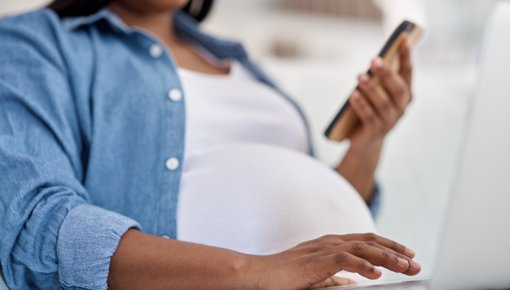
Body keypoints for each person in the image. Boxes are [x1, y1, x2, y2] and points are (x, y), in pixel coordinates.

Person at [0, 0, 421, 289]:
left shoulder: (242, 64)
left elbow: (322, 233)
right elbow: (35, 223)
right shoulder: (32, 44)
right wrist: (255, 272)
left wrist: (368, 141)